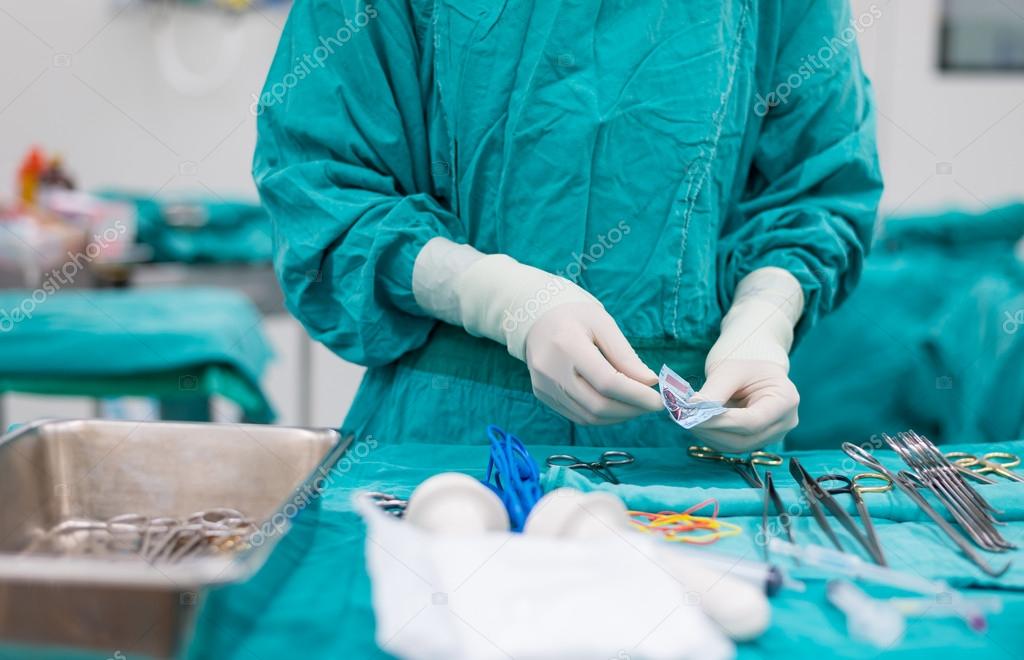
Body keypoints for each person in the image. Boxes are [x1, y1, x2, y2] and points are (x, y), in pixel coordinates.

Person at [255, 0, 883, 450]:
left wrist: (761, 325)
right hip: (449, 441)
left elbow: (817, 189)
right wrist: (496, 298)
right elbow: (322, 189)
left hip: (690, 450)